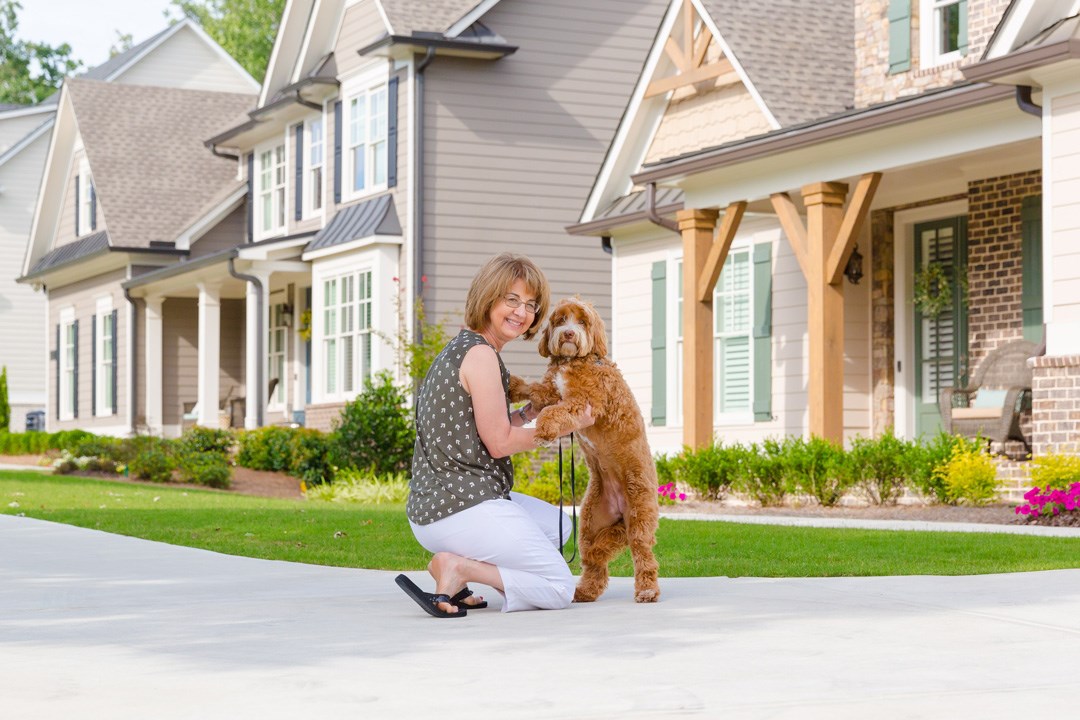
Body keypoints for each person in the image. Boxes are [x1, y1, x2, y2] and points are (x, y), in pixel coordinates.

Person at [396, 253, 593, 617]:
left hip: (437, 506)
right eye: (512, 300)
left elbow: (484, 427)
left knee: (559, 528)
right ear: (489, 297)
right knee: (560, 587)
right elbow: (499, 443)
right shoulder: (482, 357)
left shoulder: (464, 349)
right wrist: (566, 424)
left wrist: (529, 413)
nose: (522, 312)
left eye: (531, 305)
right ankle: (459, 568)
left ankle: (456, 569)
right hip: (460, 508)